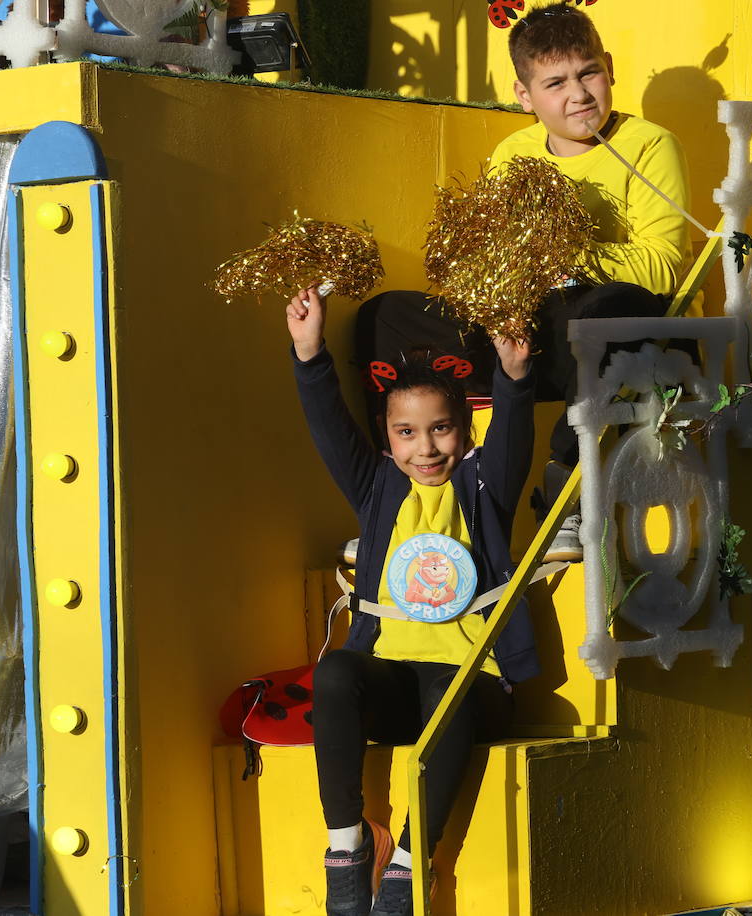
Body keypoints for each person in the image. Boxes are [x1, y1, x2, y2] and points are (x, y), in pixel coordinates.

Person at [355, 1, 691, 562]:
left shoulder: (650, 145)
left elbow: (663, 269)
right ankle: (401, 494)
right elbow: (496, 258)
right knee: (387, 315)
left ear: (609, 68)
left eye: (588, 74)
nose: (578, 94)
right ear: (524, 95)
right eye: (555, 82)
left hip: (611, 332)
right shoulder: (513, 153)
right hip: (525, 334)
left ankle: (566, 491)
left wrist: (565, 246)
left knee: (603, 308)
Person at [287, 284, 539, 916]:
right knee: (338, 669)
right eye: (407, 433)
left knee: (446, 692)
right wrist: (310, 353)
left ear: (464, 428)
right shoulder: (376, 489)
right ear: (388, 437)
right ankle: (347, 848)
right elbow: (328, 428)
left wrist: (513, 376)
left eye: (441, 429)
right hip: (395, 683)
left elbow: (512, 438)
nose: (425, 449)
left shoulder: (485, 485)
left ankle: (407, 861)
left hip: (469, 689)